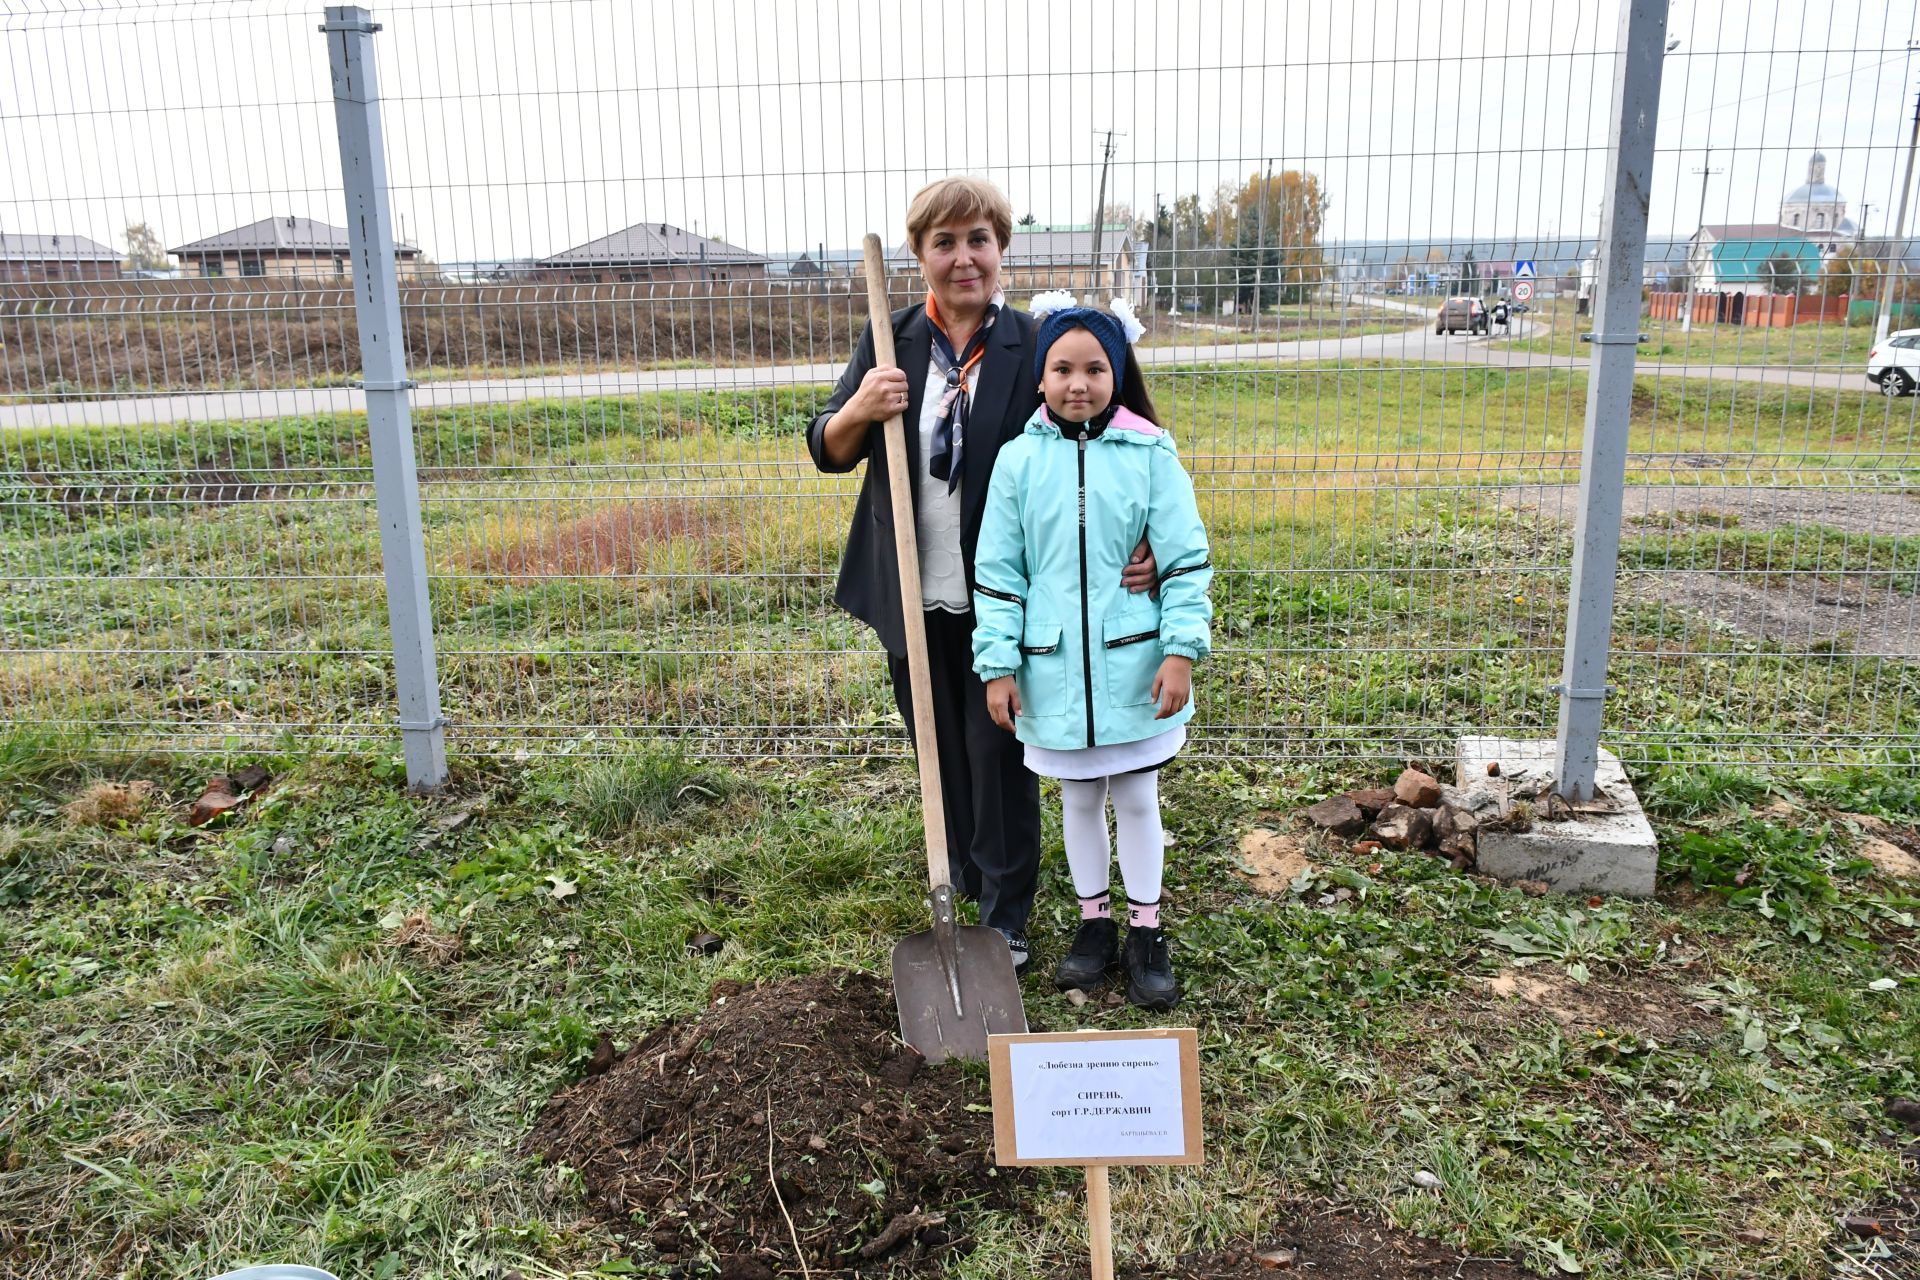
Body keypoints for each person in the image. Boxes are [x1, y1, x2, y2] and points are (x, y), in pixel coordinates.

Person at [804, 177, 1157, 975]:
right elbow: (826, 445)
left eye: (979, 241)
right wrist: (861, 406)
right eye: (944, 243)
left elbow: (1114, 427)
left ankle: (1007, 914)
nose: (964, 259)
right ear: (919, 254)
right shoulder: (888, 338)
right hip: (906, 581)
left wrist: (1146, 538)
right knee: (939, 747)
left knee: (996, 750)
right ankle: (958, 885)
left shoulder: (1032, 343)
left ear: (1001, 249)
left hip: (1005, 594)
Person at [971, 294, 1213, 1009]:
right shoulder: (1018, 463)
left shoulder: (1149, 454)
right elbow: (1000, 573)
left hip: (1134, 668)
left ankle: (1147, 928)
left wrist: (1180, 651)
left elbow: (1186, 559)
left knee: (1137, 797)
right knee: (1078, 800)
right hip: (1052, 674)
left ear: (1119, 373)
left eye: (1096, 369)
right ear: (1041, 378)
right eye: (1063, 369)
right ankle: (1093, 925)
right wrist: (999, 665)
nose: (1079, 384)